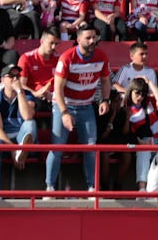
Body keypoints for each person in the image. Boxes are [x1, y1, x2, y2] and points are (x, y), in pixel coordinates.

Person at [46, 26, 110, 193]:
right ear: (79, 39)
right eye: (88, 38)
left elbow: (105, 81)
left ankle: (92, 187)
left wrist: (105, 99)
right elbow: (58, 89)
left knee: (91, 147)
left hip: (86, 105)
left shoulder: (101, 56)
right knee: (57, 147)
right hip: (64, 104)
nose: (92, 41)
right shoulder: (67, 57)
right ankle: (49, 187)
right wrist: (64, 112)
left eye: (94, 37)